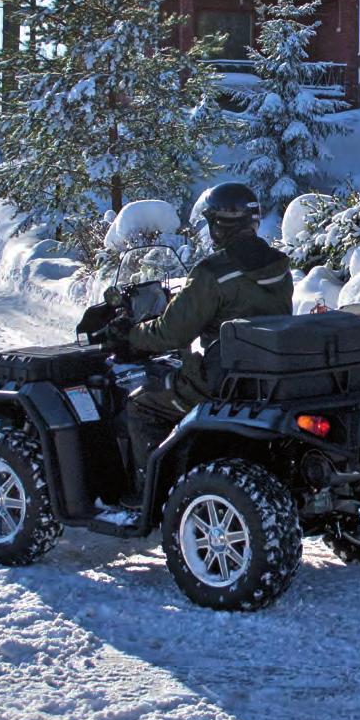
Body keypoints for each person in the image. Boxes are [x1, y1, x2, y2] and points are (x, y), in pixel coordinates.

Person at [103, 182, 293, 496]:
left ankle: (151, 496)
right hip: (264, 375)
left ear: (219, 226)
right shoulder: (277, 266)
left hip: (221, 381)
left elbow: (171, 332)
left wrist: (132, 334)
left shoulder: (212, 272)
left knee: (142, 403)